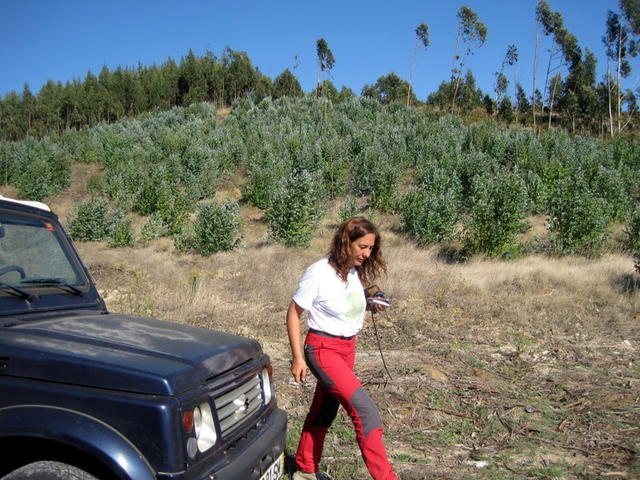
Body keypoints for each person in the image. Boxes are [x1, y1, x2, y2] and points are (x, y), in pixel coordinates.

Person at [287, 216, 399, 480]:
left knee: (325, 407)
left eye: (371, 248)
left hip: (348, 349)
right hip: (323, 349)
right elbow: (293, 313)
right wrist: (297, 358)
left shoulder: (352, 272)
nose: (367, 253)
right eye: (362, 246)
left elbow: (346, 305)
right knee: (365, 411)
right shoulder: (319, 272)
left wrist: (371, 304)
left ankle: (305, 469)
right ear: (346, 242)